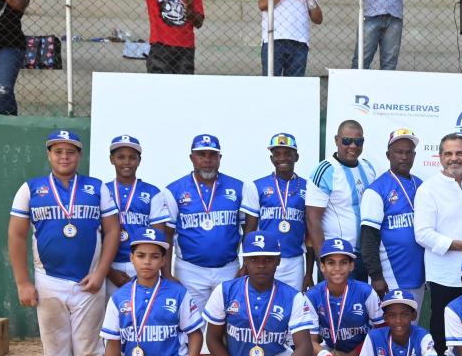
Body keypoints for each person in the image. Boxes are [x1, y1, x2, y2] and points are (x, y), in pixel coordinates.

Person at [8, 130, 122, 356]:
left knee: (90, 353)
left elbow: (113, 230)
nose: (64, 157)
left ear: (79, 156)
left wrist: (101, 273)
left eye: (70, 151)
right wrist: (22, 282)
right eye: (58, 151)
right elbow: (16, 234)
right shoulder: (31, 188)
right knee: (55, 354)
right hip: (49, 281)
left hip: (89, 281)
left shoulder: (96, 188)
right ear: (49, 155)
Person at [203, 231, 327, 356]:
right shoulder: (225, 291)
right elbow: (213, 339)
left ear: (278, 260)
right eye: (254, 259)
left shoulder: (293, 297)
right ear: (245, 261)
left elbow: (305, 347)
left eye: (268, 259)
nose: (261, 265)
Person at [100, 227, 215, 356]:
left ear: (163, 261)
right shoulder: (119, 298)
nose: (147, 262)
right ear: (132, 258)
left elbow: (195, 334)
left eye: (154, 257)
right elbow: (112, 345)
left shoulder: (178, 293)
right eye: (141, 256)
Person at [414, 133, 462, 356]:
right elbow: (423, 234)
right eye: (448, 153)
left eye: (459, 153)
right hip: (445, 275)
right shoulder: (428, 190)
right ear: (440, 157)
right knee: (443, 331)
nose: (454, 158)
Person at [152, 134, 243, 313]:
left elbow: (249, 229)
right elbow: (167, 235)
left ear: (220, 158)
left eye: (212, 155)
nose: (207, 160)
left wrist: (246, 265)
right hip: (190, 271)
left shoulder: (239, 188)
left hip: (228, 269)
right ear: (192, 157)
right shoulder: (174, 190)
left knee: (228, 324)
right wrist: (167, 273)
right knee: (192, 324)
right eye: (201, 155)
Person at [307, 239, 384, 356]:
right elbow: (310, 342)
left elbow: (381, 331)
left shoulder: (365, 292)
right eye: (331, 262)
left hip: (361, 353)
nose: (337, 268)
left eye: (343, 262)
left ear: (351, 265)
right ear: (322, 266)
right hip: (330, 353)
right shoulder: (312, 296)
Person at [307, 120, 377, 281]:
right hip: (337, 257)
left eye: (358, 141)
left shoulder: (368, 168)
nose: (353, 146)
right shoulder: (325, 170)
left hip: (365, 255)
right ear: (336, 140)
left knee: (360, 305)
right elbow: (312, 219)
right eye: (347, 141)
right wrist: (323, 261)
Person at [360, 128, 425, 301]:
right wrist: (376, 277)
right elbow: (368, 238)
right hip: (390, 278)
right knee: (389, 327)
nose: (404, 157)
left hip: (418, 276)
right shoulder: (376, 190)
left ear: (414, 156)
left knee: (412, 326)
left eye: (408, 152)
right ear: (388, 155)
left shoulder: (422, 186)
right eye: (398, 152)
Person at [242, 133, 311, 290]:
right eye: (277, 154)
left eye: (288, 153)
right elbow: (249, 230)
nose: (282, 158)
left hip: (294, 261)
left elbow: (310, 234)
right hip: (264, 259)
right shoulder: (257, 186)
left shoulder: (308, 187)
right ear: (271, 158)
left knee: (293, 307)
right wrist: (245, 263)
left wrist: (309, 272)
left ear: (296, 157)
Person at [355, 289, 451, 356]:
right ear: (385, 317)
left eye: (404, 314)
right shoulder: (374, 337)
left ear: (413, 316)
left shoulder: (422, 335)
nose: (398, 320)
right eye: (392, 315)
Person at [105, 135, 166, 293]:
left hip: (142, 264)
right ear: (112, 159)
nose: (126, 162)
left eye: (132, 157)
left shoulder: (153, 193)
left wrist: (144, 270)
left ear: (139, 160)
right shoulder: (102, 191)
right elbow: (95, 235)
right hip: (109, 265)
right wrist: (109, 271)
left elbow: (158, 236)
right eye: (120, 157)